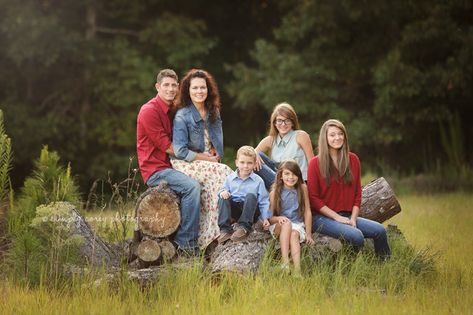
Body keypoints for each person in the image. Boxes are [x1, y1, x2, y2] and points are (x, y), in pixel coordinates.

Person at [136, 69, 200, 255]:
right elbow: (169, 148)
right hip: (157, 170)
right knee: (192, 187)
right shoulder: (149, 111)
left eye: (174, 85)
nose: (171, 89)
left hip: (174, 165)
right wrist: (200, 157)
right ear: (157, 87)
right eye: (166, 85)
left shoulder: (174, 109)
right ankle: (186, 244)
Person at [307, 119, 391, 259]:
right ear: (325, 138)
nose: (337, 137)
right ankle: (349, 266)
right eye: (332, 135)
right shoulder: (314, 163)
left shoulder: (353, 159)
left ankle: (385, 265)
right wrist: (337, 217)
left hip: (347, 215)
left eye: (340, 134)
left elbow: (358, 193)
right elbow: (313, 198)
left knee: (380, 230)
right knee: (357, 236)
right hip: (321, 218)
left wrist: (353, 218)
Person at [172, 69, 233, 248]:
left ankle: (212, 234)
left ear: (208, 90)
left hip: (209, 163)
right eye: (195, 88)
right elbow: (180, 151)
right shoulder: (182, 115)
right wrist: (206, 159)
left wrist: (215, 152)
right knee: (225, 173)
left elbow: (218, 145)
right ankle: (213, 235)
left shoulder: (213, 111)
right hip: (186, 163)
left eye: (203, 88)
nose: (199, 91)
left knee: (222, 181)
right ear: (187, 91)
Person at [268, 160, 315, 274]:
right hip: (279, 225)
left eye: (294, 174)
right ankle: (285, 263)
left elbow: (307, 211)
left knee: (294, 234)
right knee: (287, 223)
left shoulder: (302, 188)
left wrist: (308, 234)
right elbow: (270, 217)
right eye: (287, 174)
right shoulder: (275, 193)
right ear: (280, 176)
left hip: (297, 224)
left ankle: (297, 272)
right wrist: (279, 219)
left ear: (299, 176)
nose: (291, 177)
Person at [217, 146, 271, 243]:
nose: (245, 166)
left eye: (249, 163)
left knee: (250, 196)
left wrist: (265, 218)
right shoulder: (230, 178)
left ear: (254, 164)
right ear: (236, 162)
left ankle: (244, 227)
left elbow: (264, 201)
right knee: (222, 197)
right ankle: (225, 229)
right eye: (242, 162)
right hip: (237, 210)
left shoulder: (258, 181)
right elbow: (223, 190)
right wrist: (223, 192)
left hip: (252, 211)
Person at [254, 102, 314, 189]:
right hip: (279, 181)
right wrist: (254, 153)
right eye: (279, 120)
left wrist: (313, 188)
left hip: (298, 183)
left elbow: (312, 163)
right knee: (256, 155)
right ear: (274, 123)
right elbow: (249, 154)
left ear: (292, 122)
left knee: (255, 156)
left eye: (287, 120)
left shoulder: (301, 136)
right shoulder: (270, 140)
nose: (283, 124)